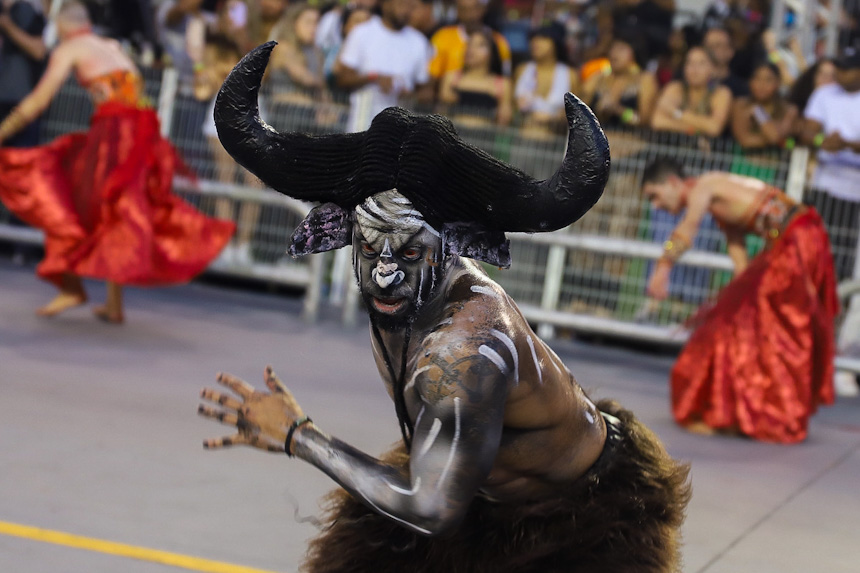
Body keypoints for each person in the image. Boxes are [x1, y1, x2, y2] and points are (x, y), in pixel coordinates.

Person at [198, 42, 691, 573]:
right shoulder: (402, 292)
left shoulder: (465, 349)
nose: (385, 272)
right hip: (465, 486)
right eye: (369, 245)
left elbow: (430, 508)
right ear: (336, 233)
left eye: (410, 250)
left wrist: (300, 435)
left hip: (580, 514)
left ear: (454, 243)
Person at [0, 2, 235, 323]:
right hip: (140, 133)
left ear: (63, 26)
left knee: (64, 197)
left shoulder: (70, 48)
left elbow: (39, 101)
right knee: (117, 213)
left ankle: (72, 287)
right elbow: (137, 94)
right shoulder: (110, 46)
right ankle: (111, 303)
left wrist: (3, 131)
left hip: (115, 135)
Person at [641, 158, 839, 443]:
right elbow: (738, 251)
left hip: (797, 242)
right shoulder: (718, 197)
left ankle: (769, 415)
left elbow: (688, 228)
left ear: (673, 183)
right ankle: (744, 411)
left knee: (777, 334)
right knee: (740, 322)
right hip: (800, 238)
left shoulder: (703, 187)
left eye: (654, 196)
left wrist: (662, 268)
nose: (655, 206)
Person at [334, 0, 432, 132]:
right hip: (361, 127)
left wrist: (410, 95)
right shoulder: (362, 33)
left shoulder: (419, 42)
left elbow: (427, 91)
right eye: (401, 4)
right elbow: (342, 79)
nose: (406, 11)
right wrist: (374, 78)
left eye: (410, 6)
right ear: (385, 4)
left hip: (399, 132)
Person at [650, 45, 733, 138]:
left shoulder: (720, 92)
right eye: (690, 63)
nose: (694, 69)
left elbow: (714, 128)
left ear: (712, 69)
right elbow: (658, 122)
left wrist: (676, 113)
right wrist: (698, 129)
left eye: (701, 63)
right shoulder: (675, 88)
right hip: (671, 144)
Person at [514, 24, 581, 137]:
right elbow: (509, 108)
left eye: (543, 38)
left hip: (553, 142)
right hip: (521, 137)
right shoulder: (522, 70)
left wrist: (554, 118)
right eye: (534, 39)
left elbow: (577, 114)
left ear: (556, 43)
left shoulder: (570, 75)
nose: (536, 43)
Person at [582, 30, 658, 129]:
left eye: (621, 49)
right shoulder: (598, 78)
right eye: (613, 48)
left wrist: (619, 111)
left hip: (629, 139)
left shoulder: (645, 80)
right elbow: (578, 110)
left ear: (634, 53)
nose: (614, 53)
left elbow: (644, 120)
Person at [438, 28, 512, 127]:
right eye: (469, 44)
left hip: (484, 139)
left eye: (480, 45)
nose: (471, 49)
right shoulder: (451, 78)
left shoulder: (503, 84)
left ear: (492, 53)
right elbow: (442, 112)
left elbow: (504, 120)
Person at [428, 0, 512, 83]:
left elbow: (505, 77)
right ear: (457, 11)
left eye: (473, 9)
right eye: (464, 9)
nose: (469, 15)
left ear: (482, 9)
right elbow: (432, 76)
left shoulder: (498, 41)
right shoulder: (442, 36)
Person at [730, 61, 798, 150]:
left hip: (777, 161)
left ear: (778, 83)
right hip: (743, 160)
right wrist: (776, 140)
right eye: (757, 78)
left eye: (768, 80)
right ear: (750, 82)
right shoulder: (740, 104)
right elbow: (745, 140)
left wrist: (759, 113)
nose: (762, 85)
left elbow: (775, 137)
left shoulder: (790, 110)